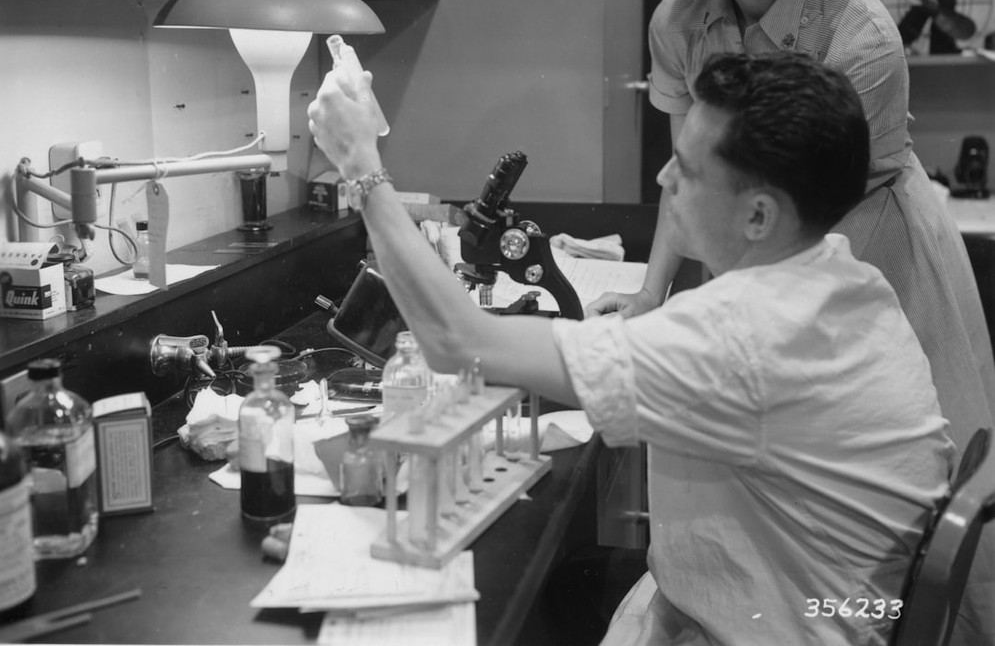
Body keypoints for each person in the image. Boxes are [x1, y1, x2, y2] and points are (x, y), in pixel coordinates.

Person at [307, 49, 955, 645]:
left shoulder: (743, 332)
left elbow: (455, 341)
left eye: (690, 168)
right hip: (844, 610)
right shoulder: (839, 275)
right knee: (566, 586)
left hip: (789, 626)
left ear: (758, 216)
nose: (664, 174)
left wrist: (361, 166)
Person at [587, 0, 995, 637]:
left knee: (868, 498)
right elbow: (689, 180)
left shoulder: (858, 33)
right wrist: (651, 293)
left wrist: (726, 323)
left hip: (865, 240)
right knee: (745, 482)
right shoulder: (679, 19)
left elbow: (816, 224)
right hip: (748, 244)